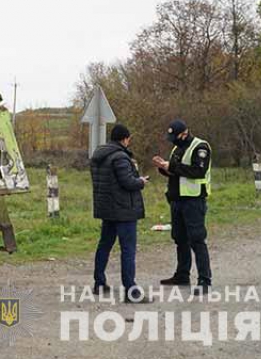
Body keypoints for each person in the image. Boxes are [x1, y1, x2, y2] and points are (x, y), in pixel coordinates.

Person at [90, 124, 151, 302]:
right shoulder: (120, 157)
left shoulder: (99, 156)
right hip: (124, 210)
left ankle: (99, 283)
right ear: (124, 139)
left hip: (107, 208)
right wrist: (140, 181)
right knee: (128, 249)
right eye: (129, 139)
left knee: (105, 245)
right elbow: (128, 182)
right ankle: (131, 291)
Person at [151, 119, 212, 293]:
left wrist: (172, 166)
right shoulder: (177, 148)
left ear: (184, 133)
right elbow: (176, 172)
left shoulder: (200, 147)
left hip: (193, 200)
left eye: (175, 137)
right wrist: (163, 167)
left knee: (197, 239)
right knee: (179, 238)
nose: (172, 141)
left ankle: (204, 280)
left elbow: (197, 171)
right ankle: (182, 275)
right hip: (177, 200)